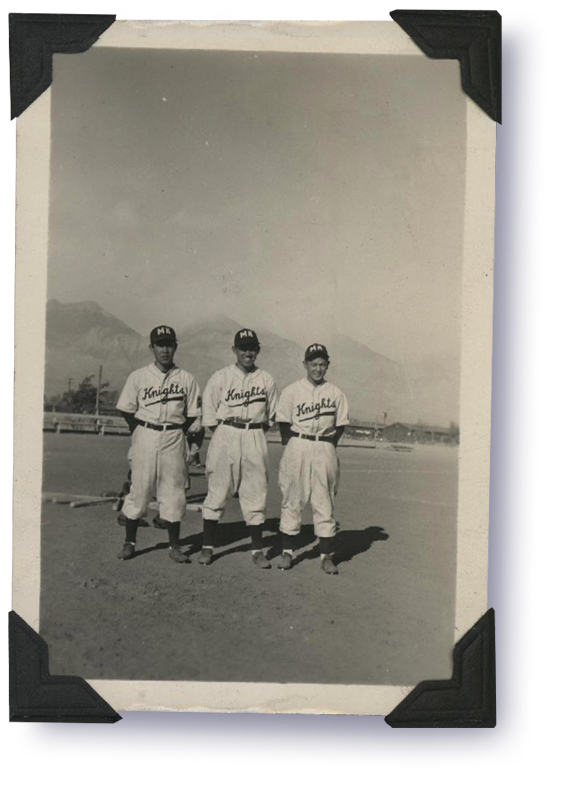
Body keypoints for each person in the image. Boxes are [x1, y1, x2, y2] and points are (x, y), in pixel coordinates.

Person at [115, 325, 202, 563]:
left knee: (174, 491)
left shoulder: (186, 378)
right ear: (151, 347)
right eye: (159, 344)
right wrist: (140, 431)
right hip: (146, 433)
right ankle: (129, 542)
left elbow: (193, 415)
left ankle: (175, 546)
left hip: (174, 435)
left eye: (169, 344)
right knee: (140, 488)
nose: (164, 349)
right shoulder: (139, 376)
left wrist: (188, 440)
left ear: (175, 346)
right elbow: (126, 409)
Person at [199, 328, 278, 567]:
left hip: (254, 435)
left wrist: (251, 434)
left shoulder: (267, 379)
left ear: (258, 350)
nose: (248, 352)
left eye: (252, 348)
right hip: (226, 433)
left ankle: (257, 550)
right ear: (234, 350)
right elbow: (210, 415)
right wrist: (227, 434)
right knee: (218, 490)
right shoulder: (220, 377)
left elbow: (271, 416)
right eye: (243, 348)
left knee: (256, 491)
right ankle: (207, 547)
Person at [275, 343, 350, 574]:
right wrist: (297, 444)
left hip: (324, 446)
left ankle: (326, 556)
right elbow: (284, 424)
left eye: (322, 364)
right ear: (305, 364)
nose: (317, 369)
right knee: (292, 498)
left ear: (328, 365)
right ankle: (287, 553)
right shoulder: (292, 390)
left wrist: (325, 445)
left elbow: (340, 427)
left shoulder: (336, 393)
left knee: (324, 501)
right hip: (298, 444)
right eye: (313, 364)